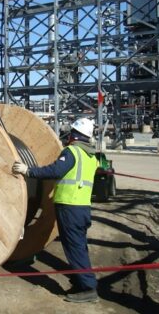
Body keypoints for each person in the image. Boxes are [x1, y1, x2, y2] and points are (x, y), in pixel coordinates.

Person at [12, 117, 99, 303]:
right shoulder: (91, 157)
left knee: (74, 248)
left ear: (75, 135)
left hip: (70, 208)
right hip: (82, 208)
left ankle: (88, 288)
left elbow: (55, 171)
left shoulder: (72, 152)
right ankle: (81, 280)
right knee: (79, 246)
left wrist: (28, 171)